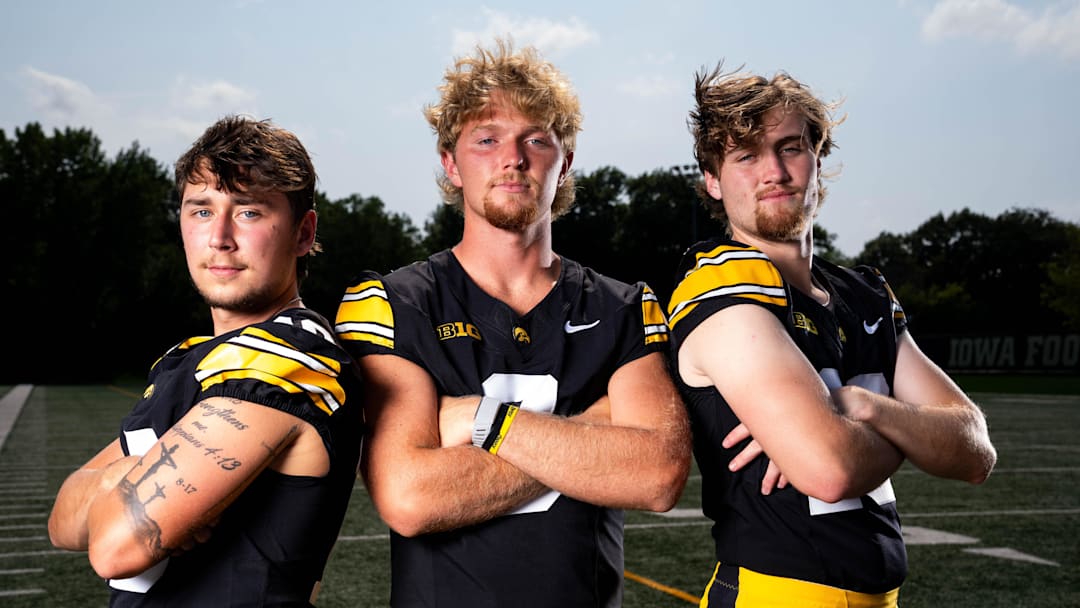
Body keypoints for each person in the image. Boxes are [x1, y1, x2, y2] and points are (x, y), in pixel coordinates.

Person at [334, 40, 691, 607]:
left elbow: (657, 475)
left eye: (536, 139)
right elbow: (408, 498)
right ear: (450, 164)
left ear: (564, 161)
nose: (513, 157)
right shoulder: (391, 303)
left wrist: (484, 419)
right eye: (486, 139)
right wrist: (591, 433)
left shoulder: (624, 306)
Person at [667, 64, 998, 607]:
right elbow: (830, 468)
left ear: (818, 158)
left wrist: (862, 405)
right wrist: (911, 430)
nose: (774, 171)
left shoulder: (863, 293)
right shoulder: (721, 287)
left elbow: (974, 450)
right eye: (746, 156)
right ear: (712, 179)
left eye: (790, 148)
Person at [48, 116, 364, 607]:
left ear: (304, 233)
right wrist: (123, 482)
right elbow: (61, 521)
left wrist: (126, 488)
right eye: (200, 211)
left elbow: (116, 547)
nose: (219, 237)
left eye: (248, 213)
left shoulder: (291, 356)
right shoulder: (188, 359)